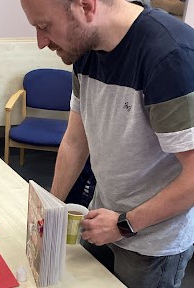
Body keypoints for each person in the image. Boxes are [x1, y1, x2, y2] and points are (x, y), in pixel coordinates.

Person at [20, 0, 194, 287]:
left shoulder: (170, 57)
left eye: (44, 26)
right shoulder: (84, 49)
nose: (41, 42)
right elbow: (76, 140)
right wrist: (49, 208)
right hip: (102, 217)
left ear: (86, 7)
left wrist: (124, 224)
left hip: (150, 244)